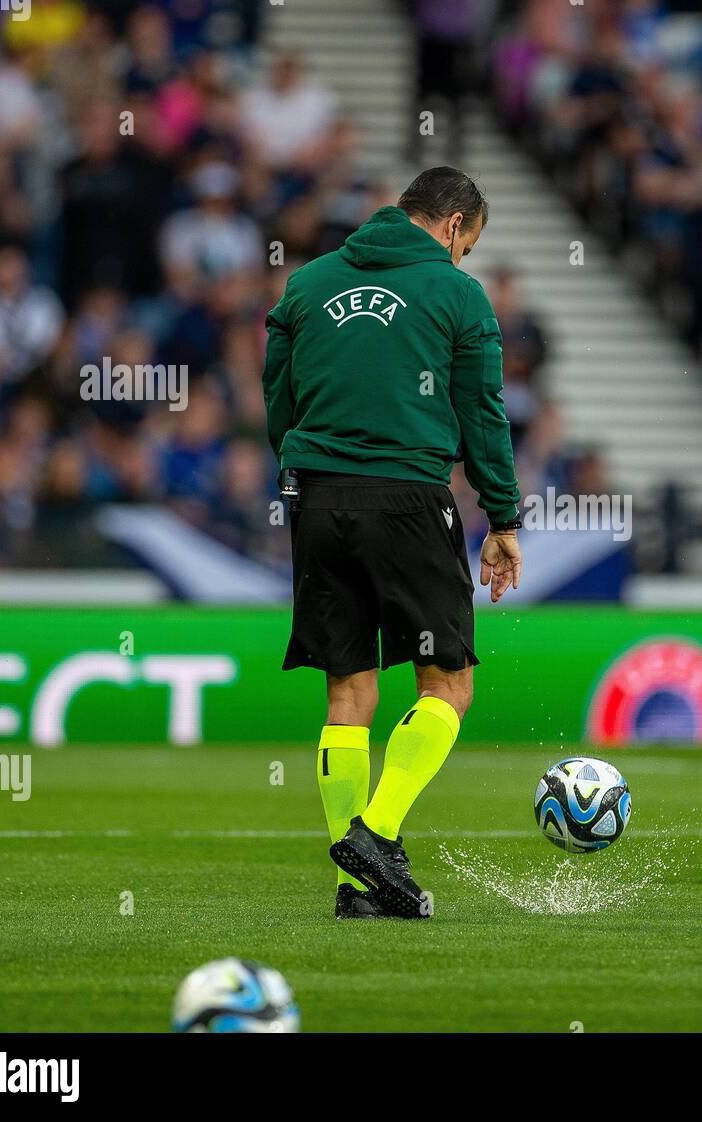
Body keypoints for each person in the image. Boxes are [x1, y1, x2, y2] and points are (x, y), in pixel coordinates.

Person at [261, 167, 523, 919]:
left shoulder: (308, 285)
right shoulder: (456, 293)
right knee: (448, 686)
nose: (463, 260)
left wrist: (301, 471)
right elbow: (483, 410)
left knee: (349, 693)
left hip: (315, 498)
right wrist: (502, 520)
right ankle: (375, 836)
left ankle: (356, 891)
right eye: (465, 245)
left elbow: (278, 396)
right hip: (408, 498)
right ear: (452, 226)